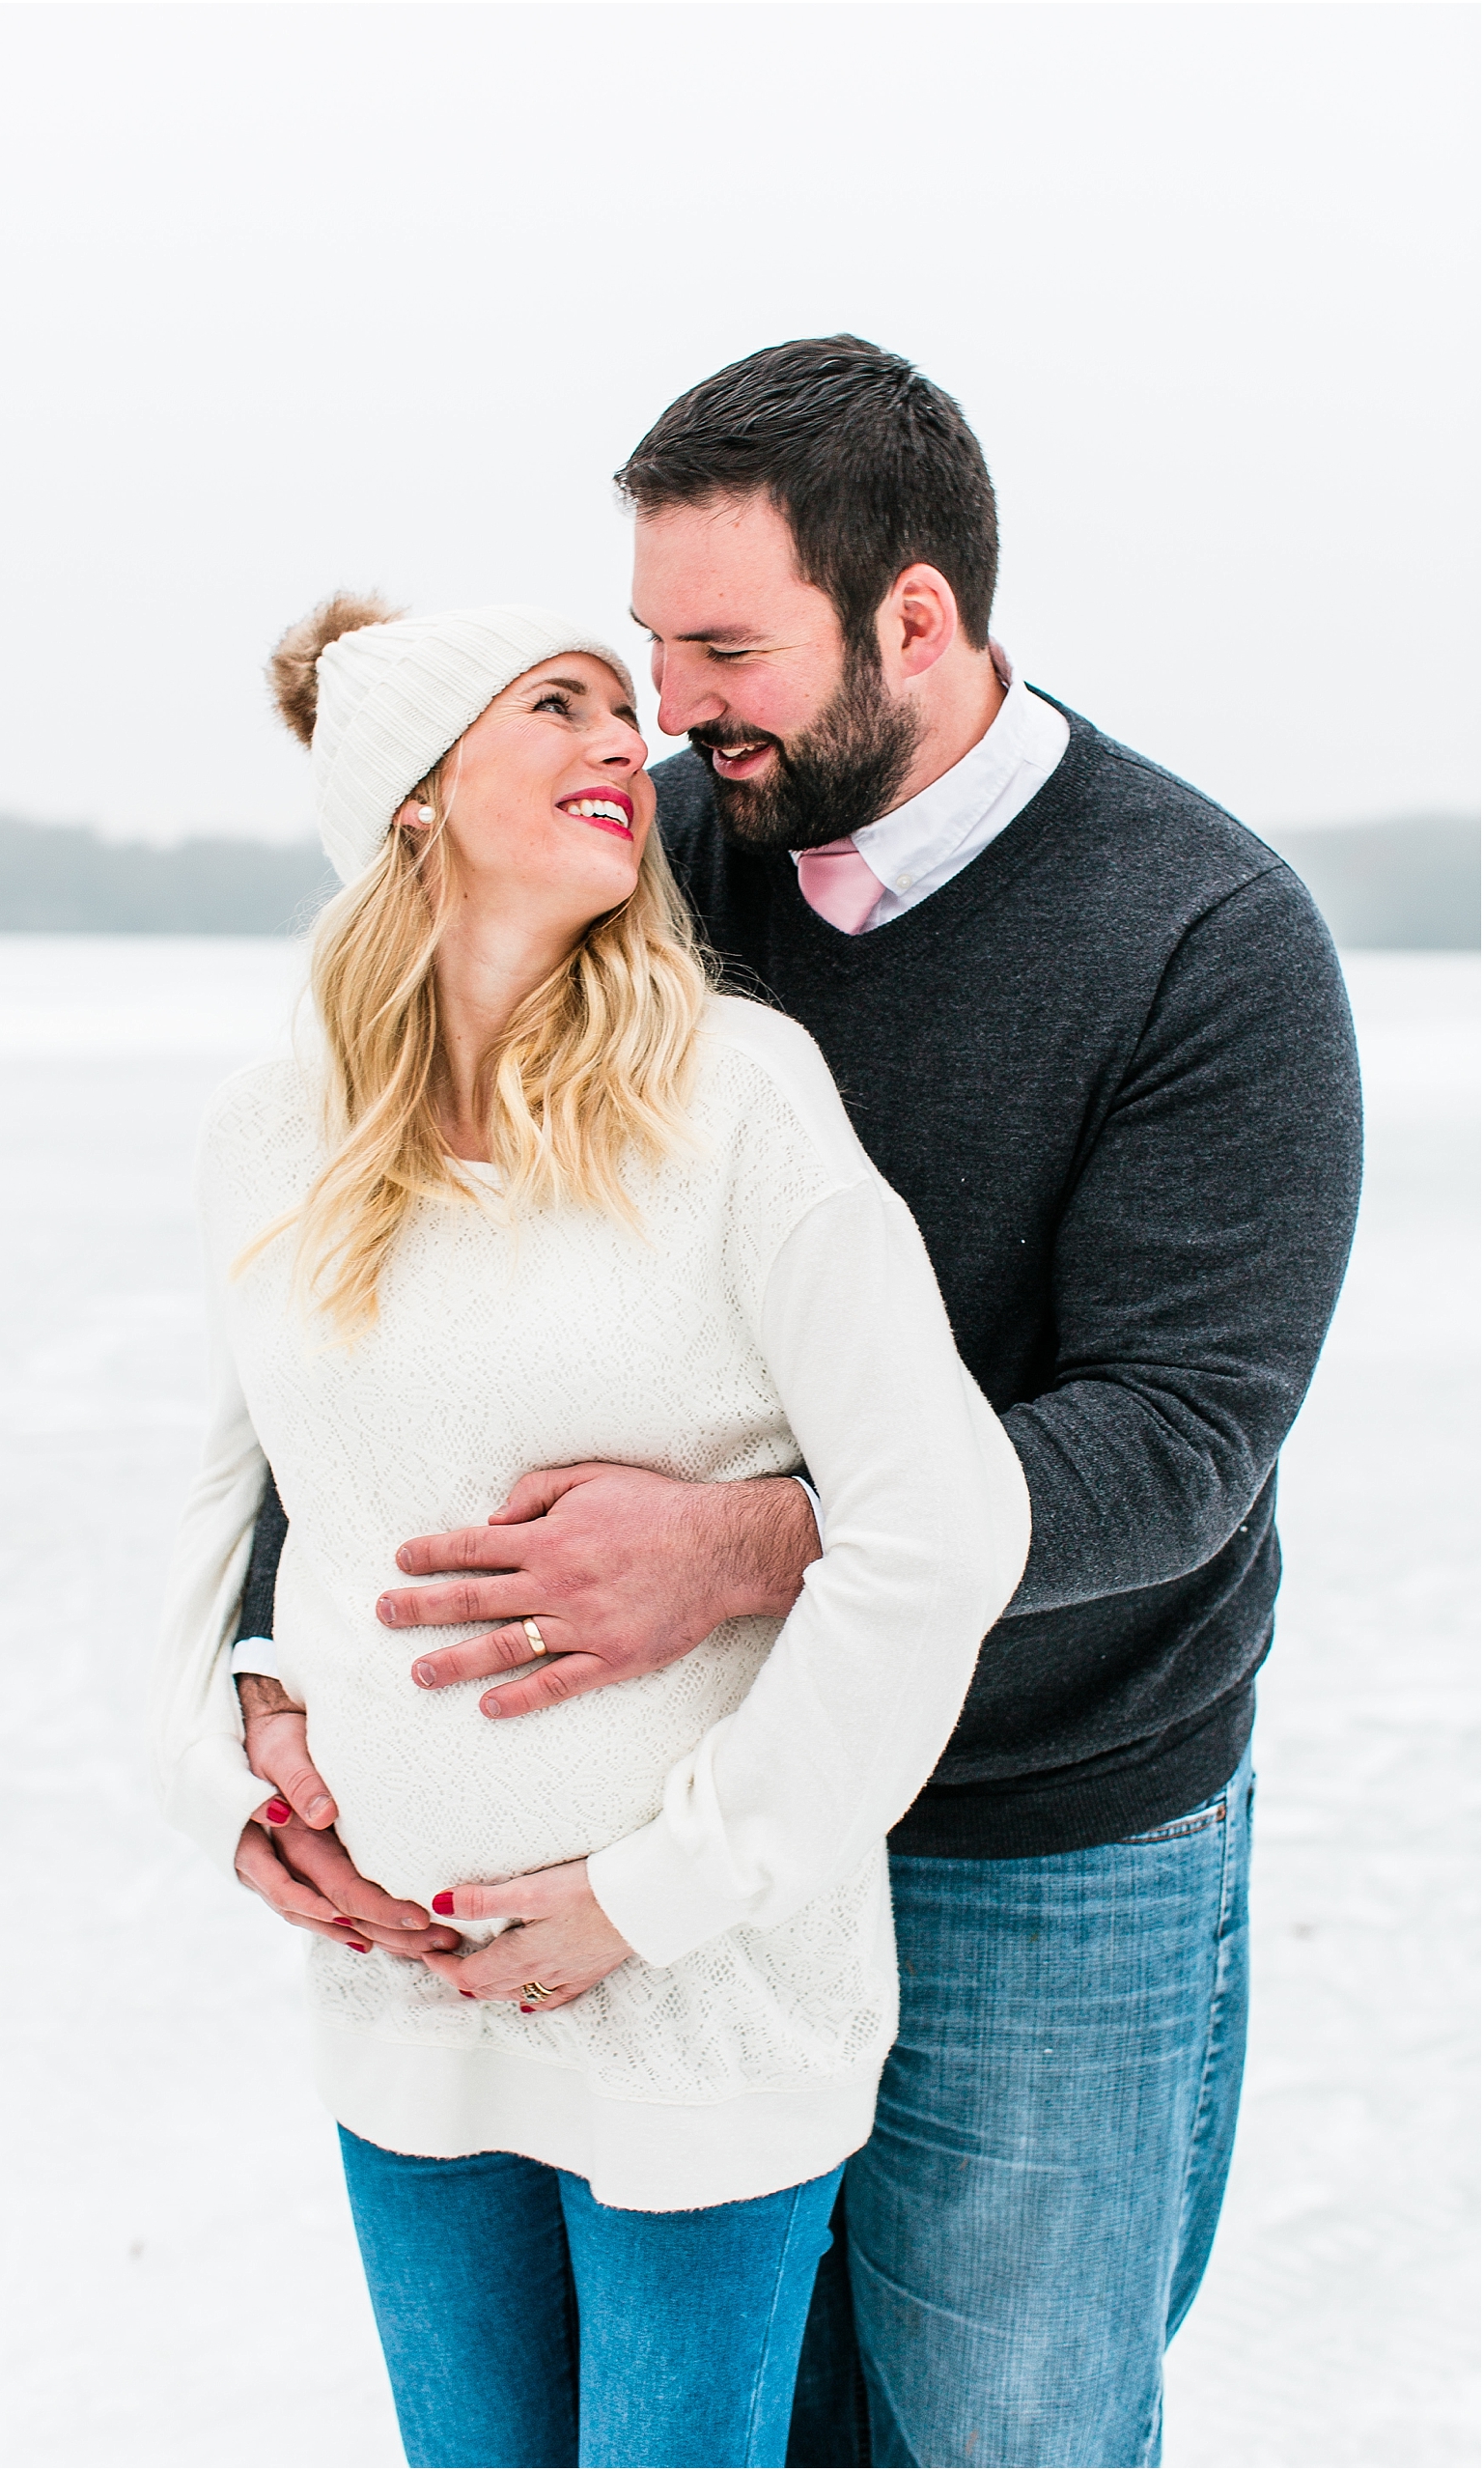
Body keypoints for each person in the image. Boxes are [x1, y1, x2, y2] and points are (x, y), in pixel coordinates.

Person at [234, 339, 1364, 2469]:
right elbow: (399, 1279)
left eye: (723, 647)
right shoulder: (651, 856)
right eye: (645, 643)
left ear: (912, 621)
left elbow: (1178, 1444)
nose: (668, 707)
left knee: (1003, 2421)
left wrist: (742, 1542)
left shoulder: (1202, 937)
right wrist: (283, 1678)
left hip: (1039, 1818)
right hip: (678, 1810)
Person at [151, 590, 1031, 2470]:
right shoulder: (270, 1132)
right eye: (551, 702)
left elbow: (935, 1530)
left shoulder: (730, 1100)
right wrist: (227, 1766)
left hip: (703, 1995)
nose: (615, 745)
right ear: (409, 795)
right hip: (405, 1986)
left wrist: (651, 1895)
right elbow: (224, 1491)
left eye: (615, 705)